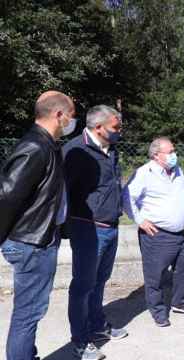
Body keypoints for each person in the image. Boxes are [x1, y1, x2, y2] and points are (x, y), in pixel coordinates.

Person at [0, 91, 75, 360]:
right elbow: (6, 196)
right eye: (71, 116)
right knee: (28, 314)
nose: (71, 121)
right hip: (31, 242)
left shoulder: (48, 145)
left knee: (31, 311)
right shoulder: (35, 147)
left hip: (39, 238)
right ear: (58, 115)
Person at [63, 105, 127, 359]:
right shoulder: (76, 150)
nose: (119, 131)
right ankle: (80, 340)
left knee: (99, 281)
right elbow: (63, 192)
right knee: (82, 285)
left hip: (111, 226)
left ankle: (97, 325)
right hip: (88, 228)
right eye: (116, 127)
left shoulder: (111, 150)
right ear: (98, 127)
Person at [122, 137, 184, 328]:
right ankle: (158, 311)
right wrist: (140, 220)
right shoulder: (144, 173)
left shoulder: (178, 170)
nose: (175, 155)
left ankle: (180, 302)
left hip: (181, 234)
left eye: (174, 151)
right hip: (157, 235)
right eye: (170, 152)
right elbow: (127, 197)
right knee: (155, 276)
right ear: (157, 155)